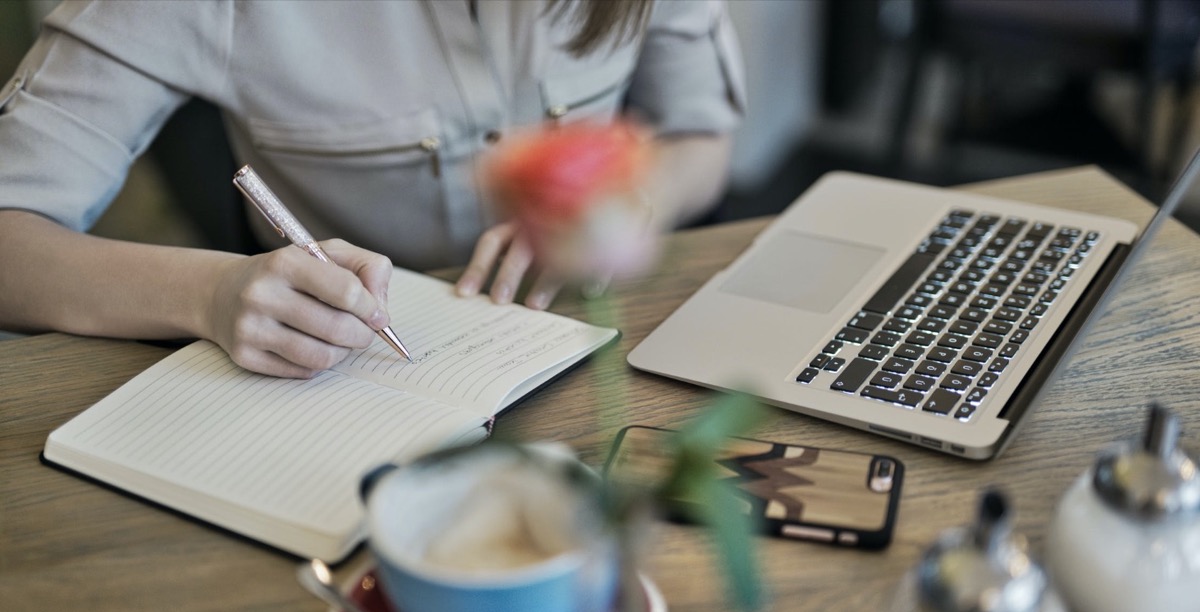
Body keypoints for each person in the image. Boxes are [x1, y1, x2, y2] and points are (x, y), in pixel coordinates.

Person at [0, 0, 745, 378]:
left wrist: (633, 205)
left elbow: (702, 135)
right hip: (346, 379)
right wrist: (208, 293)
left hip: (597, 349)